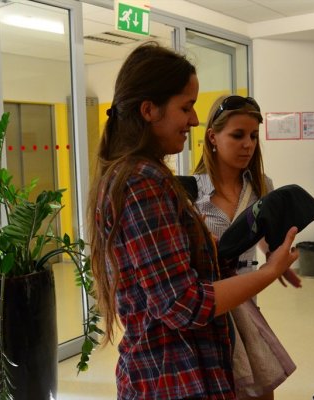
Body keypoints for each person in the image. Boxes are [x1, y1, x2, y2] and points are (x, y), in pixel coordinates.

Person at [88, 41, 299, 400]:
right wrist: (268, 272)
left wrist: (208, 253)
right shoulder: (143, 182)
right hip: (172, 377)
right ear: (149, 110)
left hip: (182, 371)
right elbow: (181, 304)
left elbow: (166, 281)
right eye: (185, 107)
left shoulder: (144, 177)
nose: (194, 120)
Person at [193, 94, 301, 399]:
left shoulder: (262, 187)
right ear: (213, 137)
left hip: (247, 302)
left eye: (253, 136)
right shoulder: (191, 192)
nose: (248, 145)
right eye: (237, 135)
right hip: (208, 308)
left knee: (260, 388)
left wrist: (277, 259)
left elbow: (267, 238)